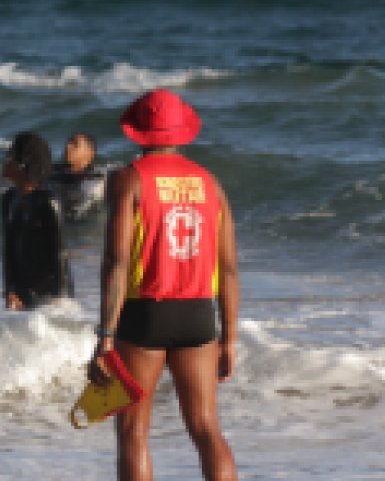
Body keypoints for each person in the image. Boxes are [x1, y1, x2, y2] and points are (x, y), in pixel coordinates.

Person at [87, 89, 238, 480]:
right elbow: (230, 268)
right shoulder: (210, 183)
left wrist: (105, 336)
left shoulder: (128, 180)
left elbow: (116, 260)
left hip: (145, 314)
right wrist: (230, 338)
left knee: (134, 432)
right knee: (206, 429)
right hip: (199, 314)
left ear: (137, 131)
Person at [1, 132, 74, 310]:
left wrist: (61, 297)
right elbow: (8, 249)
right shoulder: (9, 199)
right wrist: (9, 290)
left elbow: (59, 254)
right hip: (22, 291)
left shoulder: (48, 202)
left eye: (10, 156)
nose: (5, 161)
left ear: (23, 164)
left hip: (50, 291)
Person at [48, 131, 109, 222]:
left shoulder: (95, 180)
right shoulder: (52, 171)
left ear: (90, 153)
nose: (68, 146)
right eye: (68, 142)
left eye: (75, 144)